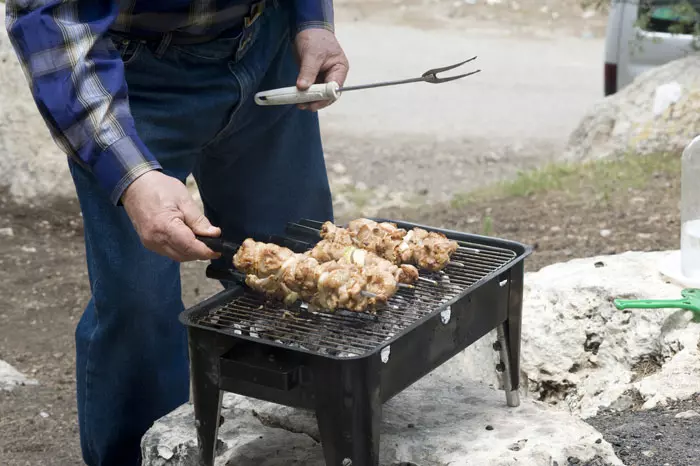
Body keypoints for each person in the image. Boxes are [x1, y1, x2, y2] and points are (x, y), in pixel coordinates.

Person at [5, 0, 349, 464]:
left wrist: (311, 21)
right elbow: (51, 22)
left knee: (299, 269)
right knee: (138, 303)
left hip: (266, 47)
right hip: (131, 75)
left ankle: (294, 448)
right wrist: (131, 176)